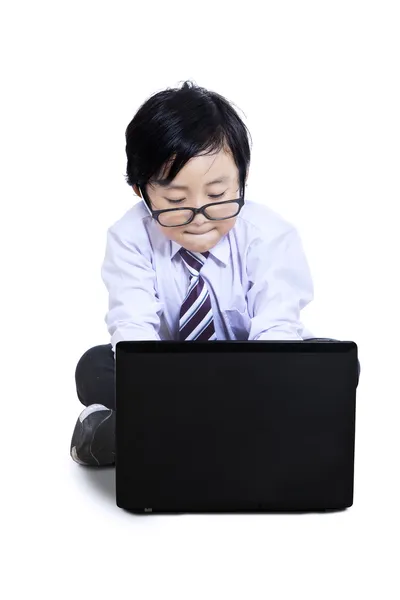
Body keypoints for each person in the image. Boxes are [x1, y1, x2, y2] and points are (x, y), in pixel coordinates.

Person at [70, 80, 361, 467]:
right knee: (95, 366)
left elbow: (276, 331)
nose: (199, 216)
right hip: (168, 378)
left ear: (241, 180)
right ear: (142, 192)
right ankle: (229, 435)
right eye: (175, 200)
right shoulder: (129, 238)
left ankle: (147, 434)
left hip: (256, 375)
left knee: (335, 365)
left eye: (218, 195)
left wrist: (252, 389)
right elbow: (134, 331)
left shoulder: (271, 236)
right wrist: (162, 387)